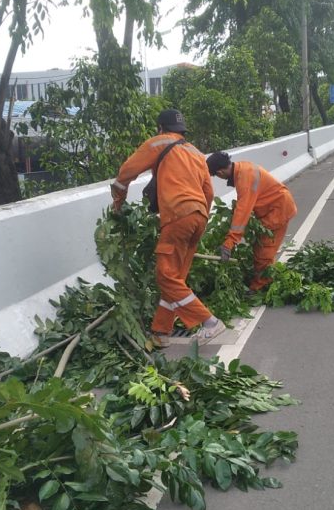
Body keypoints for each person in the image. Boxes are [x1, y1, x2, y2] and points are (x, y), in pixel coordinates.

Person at [110, 109, 226, 345]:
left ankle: (210, 322)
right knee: (175, 278)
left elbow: (125, 173)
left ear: (160, 128)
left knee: (165, 277)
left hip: (178, 214)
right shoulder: (195, 153)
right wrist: (199, 216)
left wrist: (117, 204)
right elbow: (209, 192)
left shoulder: (158, 142)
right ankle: (161, 332)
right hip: (199, 216)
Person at [206, 151, 297, 293]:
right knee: (259, 247)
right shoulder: (242, 169)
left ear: (220, 172)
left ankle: (260, 287)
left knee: (264, 252)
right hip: (273, 207)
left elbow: (242, 212)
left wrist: (229, 243)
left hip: (278, 210)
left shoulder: (244, 179)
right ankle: (266, 279)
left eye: (216, 175)